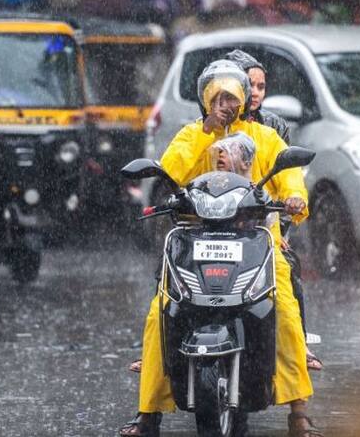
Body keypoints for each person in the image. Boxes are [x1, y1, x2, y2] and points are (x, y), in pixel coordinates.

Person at [119, 59, 322, 437]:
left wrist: (294, 198)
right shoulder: (191, 135)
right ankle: (148, 413)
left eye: (233, 96)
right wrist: (207, 131)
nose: (226, 104)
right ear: (207, 99)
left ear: (245, 98)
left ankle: (298, 412)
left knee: (286, 311)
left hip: (255, 239)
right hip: (196, 240)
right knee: (160, 311)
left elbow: (291, 179)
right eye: (219, 97)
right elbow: (171, 172)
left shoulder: (265, 138)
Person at [225, 48, 323, 371]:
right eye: (248, 85)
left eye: (261, 86)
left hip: (260, 225)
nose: (255, 93)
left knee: (289, 271)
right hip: (215, 223)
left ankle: (299, 344)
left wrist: (284, 214)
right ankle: (157, 349)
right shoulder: (209, 126)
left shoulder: (274, 129)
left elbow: (287, 179)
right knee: (168, 269)